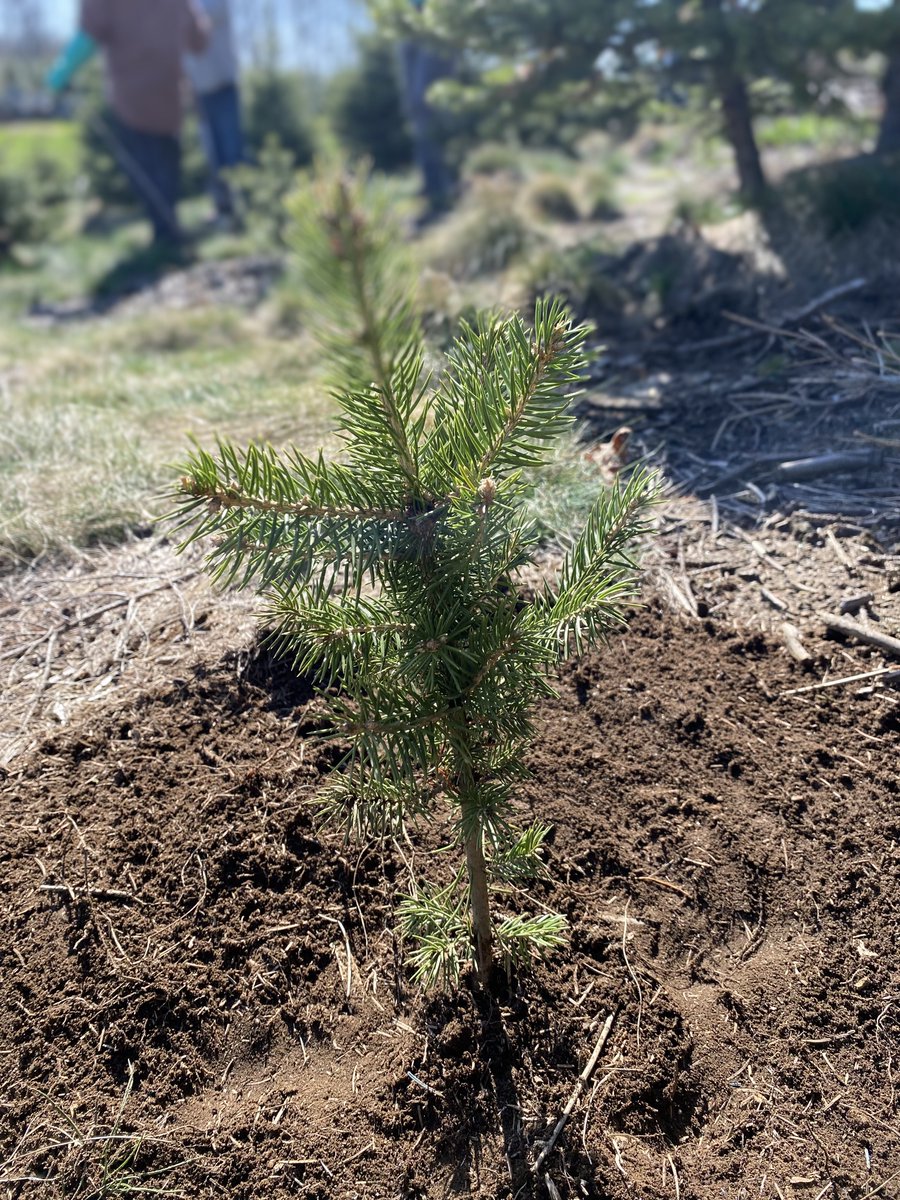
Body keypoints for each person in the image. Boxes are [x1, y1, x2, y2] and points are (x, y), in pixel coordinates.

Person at [79, 0, 209, 245]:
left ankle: (164, 231)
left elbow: (89, 33)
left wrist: (61, 73)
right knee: (167, 163)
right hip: (169, 95)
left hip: (131, 100)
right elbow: (199, 40)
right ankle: (169, 229)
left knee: (145, 166)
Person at [184, 0, 244, 221]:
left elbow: (201, 23)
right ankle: (223, 207)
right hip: (200, 92)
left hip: (224, 86)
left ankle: (244, 207)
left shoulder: (213, 4)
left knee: (232, 150)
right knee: (212, 153)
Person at [399, 0, 455, 220]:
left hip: (439, 16)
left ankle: (442, 189)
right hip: (405, 18)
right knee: (414, 106)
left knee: (427, 102)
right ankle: (431, 183)